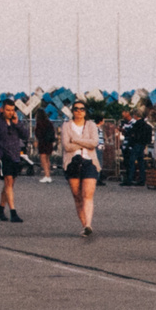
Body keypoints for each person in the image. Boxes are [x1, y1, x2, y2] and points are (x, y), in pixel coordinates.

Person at [59, 101, 102, 238]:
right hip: (72, 162)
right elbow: (67, 146)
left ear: (85, 111)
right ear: (72, 111)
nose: (79, 111)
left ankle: (88, 224)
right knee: (77, 196)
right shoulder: (66, 126)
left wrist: (75, 140)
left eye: (82, 109)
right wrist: (84, 143)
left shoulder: (91, 125)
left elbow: (94, 143)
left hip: (89, 161)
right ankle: (84, 226)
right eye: (76, 109)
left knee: (87, 194)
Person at [0, 99, 29, 223]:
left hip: (15, 155)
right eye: (8, 110)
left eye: (12, 110)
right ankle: (13, 212)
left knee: (9, 184)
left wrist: (17, 123)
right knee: (8, 181)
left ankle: (0, 208)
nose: (10, 112)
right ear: (2, 109)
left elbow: (25, 135)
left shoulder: (15, 121)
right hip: (3, 155)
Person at [33, 104, 58, 182]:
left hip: (42, 143)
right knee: (47, 159)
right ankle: (48, 175)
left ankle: (46, 175)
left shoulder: (39, 123)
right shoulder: (49, 123)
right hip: (49, 143)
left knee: (43, 159)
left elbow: (38, 134)